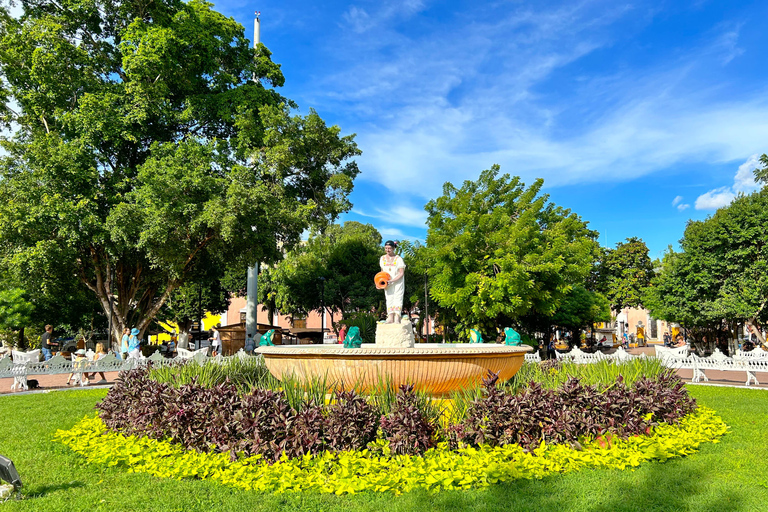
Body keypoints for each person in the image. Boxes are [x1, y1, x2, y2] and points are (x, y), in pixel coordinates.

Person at [379, 240, 406, 323]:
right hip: (387, 282)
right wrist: (379, 282)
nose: (387, 250)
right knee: (389, 297)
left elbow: (401, 273)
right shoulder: (382, 258)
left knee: (398, 297)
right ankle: (390, 317)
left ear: (394, 248)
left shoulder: (398, 259)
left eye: (389, 248)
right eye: (386, 248)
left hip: (397, 282)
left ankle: (397, 317)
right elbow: (381, 272)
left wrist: (393, 280)